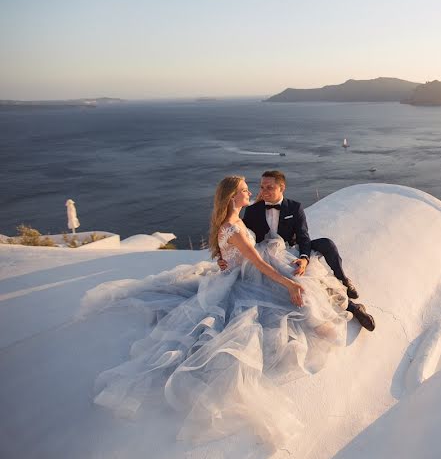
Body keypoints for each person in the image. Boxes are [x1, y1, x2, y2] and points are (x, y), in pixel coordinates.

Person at [83, 175, 352, 448]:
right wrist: (289, 284)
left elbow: (238, 249)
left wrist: (229, 257)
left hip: (239, 272)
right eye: (247, 191)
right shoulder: (233, 229)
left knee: (287, 281)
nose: (254, 194)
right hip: (245, 279)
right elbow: (258, 263)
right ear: (233, 197)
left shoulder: (232, 222)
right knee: (285, 299)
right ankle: (318, 324)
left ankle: (317, 314)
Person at [219, 170, 375, 331]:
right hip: (267, 256)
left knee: (325, 248)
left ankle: (344, 282)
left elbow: (303, 237)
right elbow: (238, 235)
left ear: (282, 188)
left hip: (291, 250)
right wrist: (223, 256)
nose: (263, 192)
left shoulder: (294, 207)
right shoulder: (253, 210)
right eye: (262, 187)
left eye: (269, 188)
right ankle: (352, 308)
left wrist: (304, 258)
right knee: (307, 282)